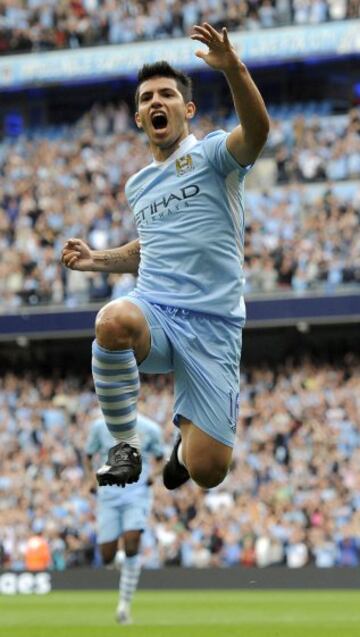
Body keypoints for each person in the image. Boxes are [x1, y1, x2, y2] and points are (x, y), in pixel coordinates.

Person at [62, 23, 269, 491]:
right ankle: (126, 446)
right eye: (146, 98)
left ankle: (180, 451)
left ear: (187, 109)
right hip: (155, 311)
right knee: (111, 320)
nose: (156, 102)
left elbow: (257, 132)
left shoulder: (214, 155)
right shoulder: (137, 185)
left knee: (209, 470)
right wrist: (98, 260)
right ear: (138, 117)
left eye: (167, 95)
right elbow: (152, 247)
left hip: (213, 324)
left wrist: (234, 68)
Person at [84, 410, 164, 624]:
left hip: (137, 496)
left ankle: (123, 606)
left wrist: (152, 478)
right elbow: (88, 455)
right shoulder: (99, 427)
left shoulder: (150, 428)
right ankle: (129, 566)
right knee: (107, 556)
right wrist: (90, 480)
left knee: (131, 544)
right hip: (108, 496)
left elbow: (161, 458)